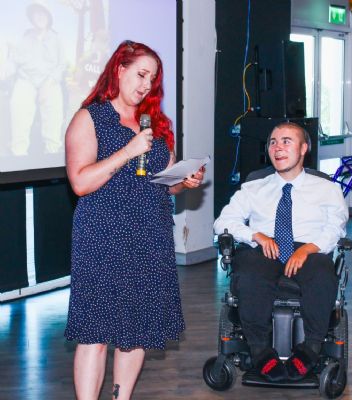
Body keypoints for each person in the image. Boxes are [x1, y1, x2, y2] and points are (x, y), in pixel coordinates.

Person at [64, 40, 205, 400]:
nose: (146, 85)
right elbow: (80, 183)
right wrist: (128, 151)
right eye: (141, 74)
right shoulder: (90, 118)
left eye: (153, 79)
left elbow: (164, 182)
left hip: (151, 234)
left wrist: (183, 180)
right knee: (95, 332)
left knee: (137, 329)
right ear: (119, 69)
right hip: (103, 235)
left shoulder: (155, 124)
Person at [214, 122, 348, 382]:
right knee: (249, 274)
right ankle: (260, 351)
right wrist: (255, 235)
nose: (277, 147)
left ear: (304, 149)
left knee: (322, 274)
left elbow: (336, 227)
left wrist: (309, 248)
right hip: (265, 247)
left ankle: (310, 349)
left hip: (310, 249)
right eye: (273, 142)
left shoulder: (328, 189)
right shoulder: (253, 188)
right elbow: (223, 222)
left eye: (286, 141)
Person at [9, 1, 65, 155]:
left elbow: (61, 65)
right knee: (18, 104)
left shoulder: (56, 39)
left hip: (50, 81)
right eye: (36, 13)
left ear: (48, 17)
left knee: (54, 107)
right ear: (32, 17)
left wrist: (49, 83)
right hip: (26, 80)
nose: (39, 16)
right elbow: (14, 61)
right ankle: (18, 154)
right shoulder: (25, 38)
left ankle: (51, 152)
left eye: (43, 13)